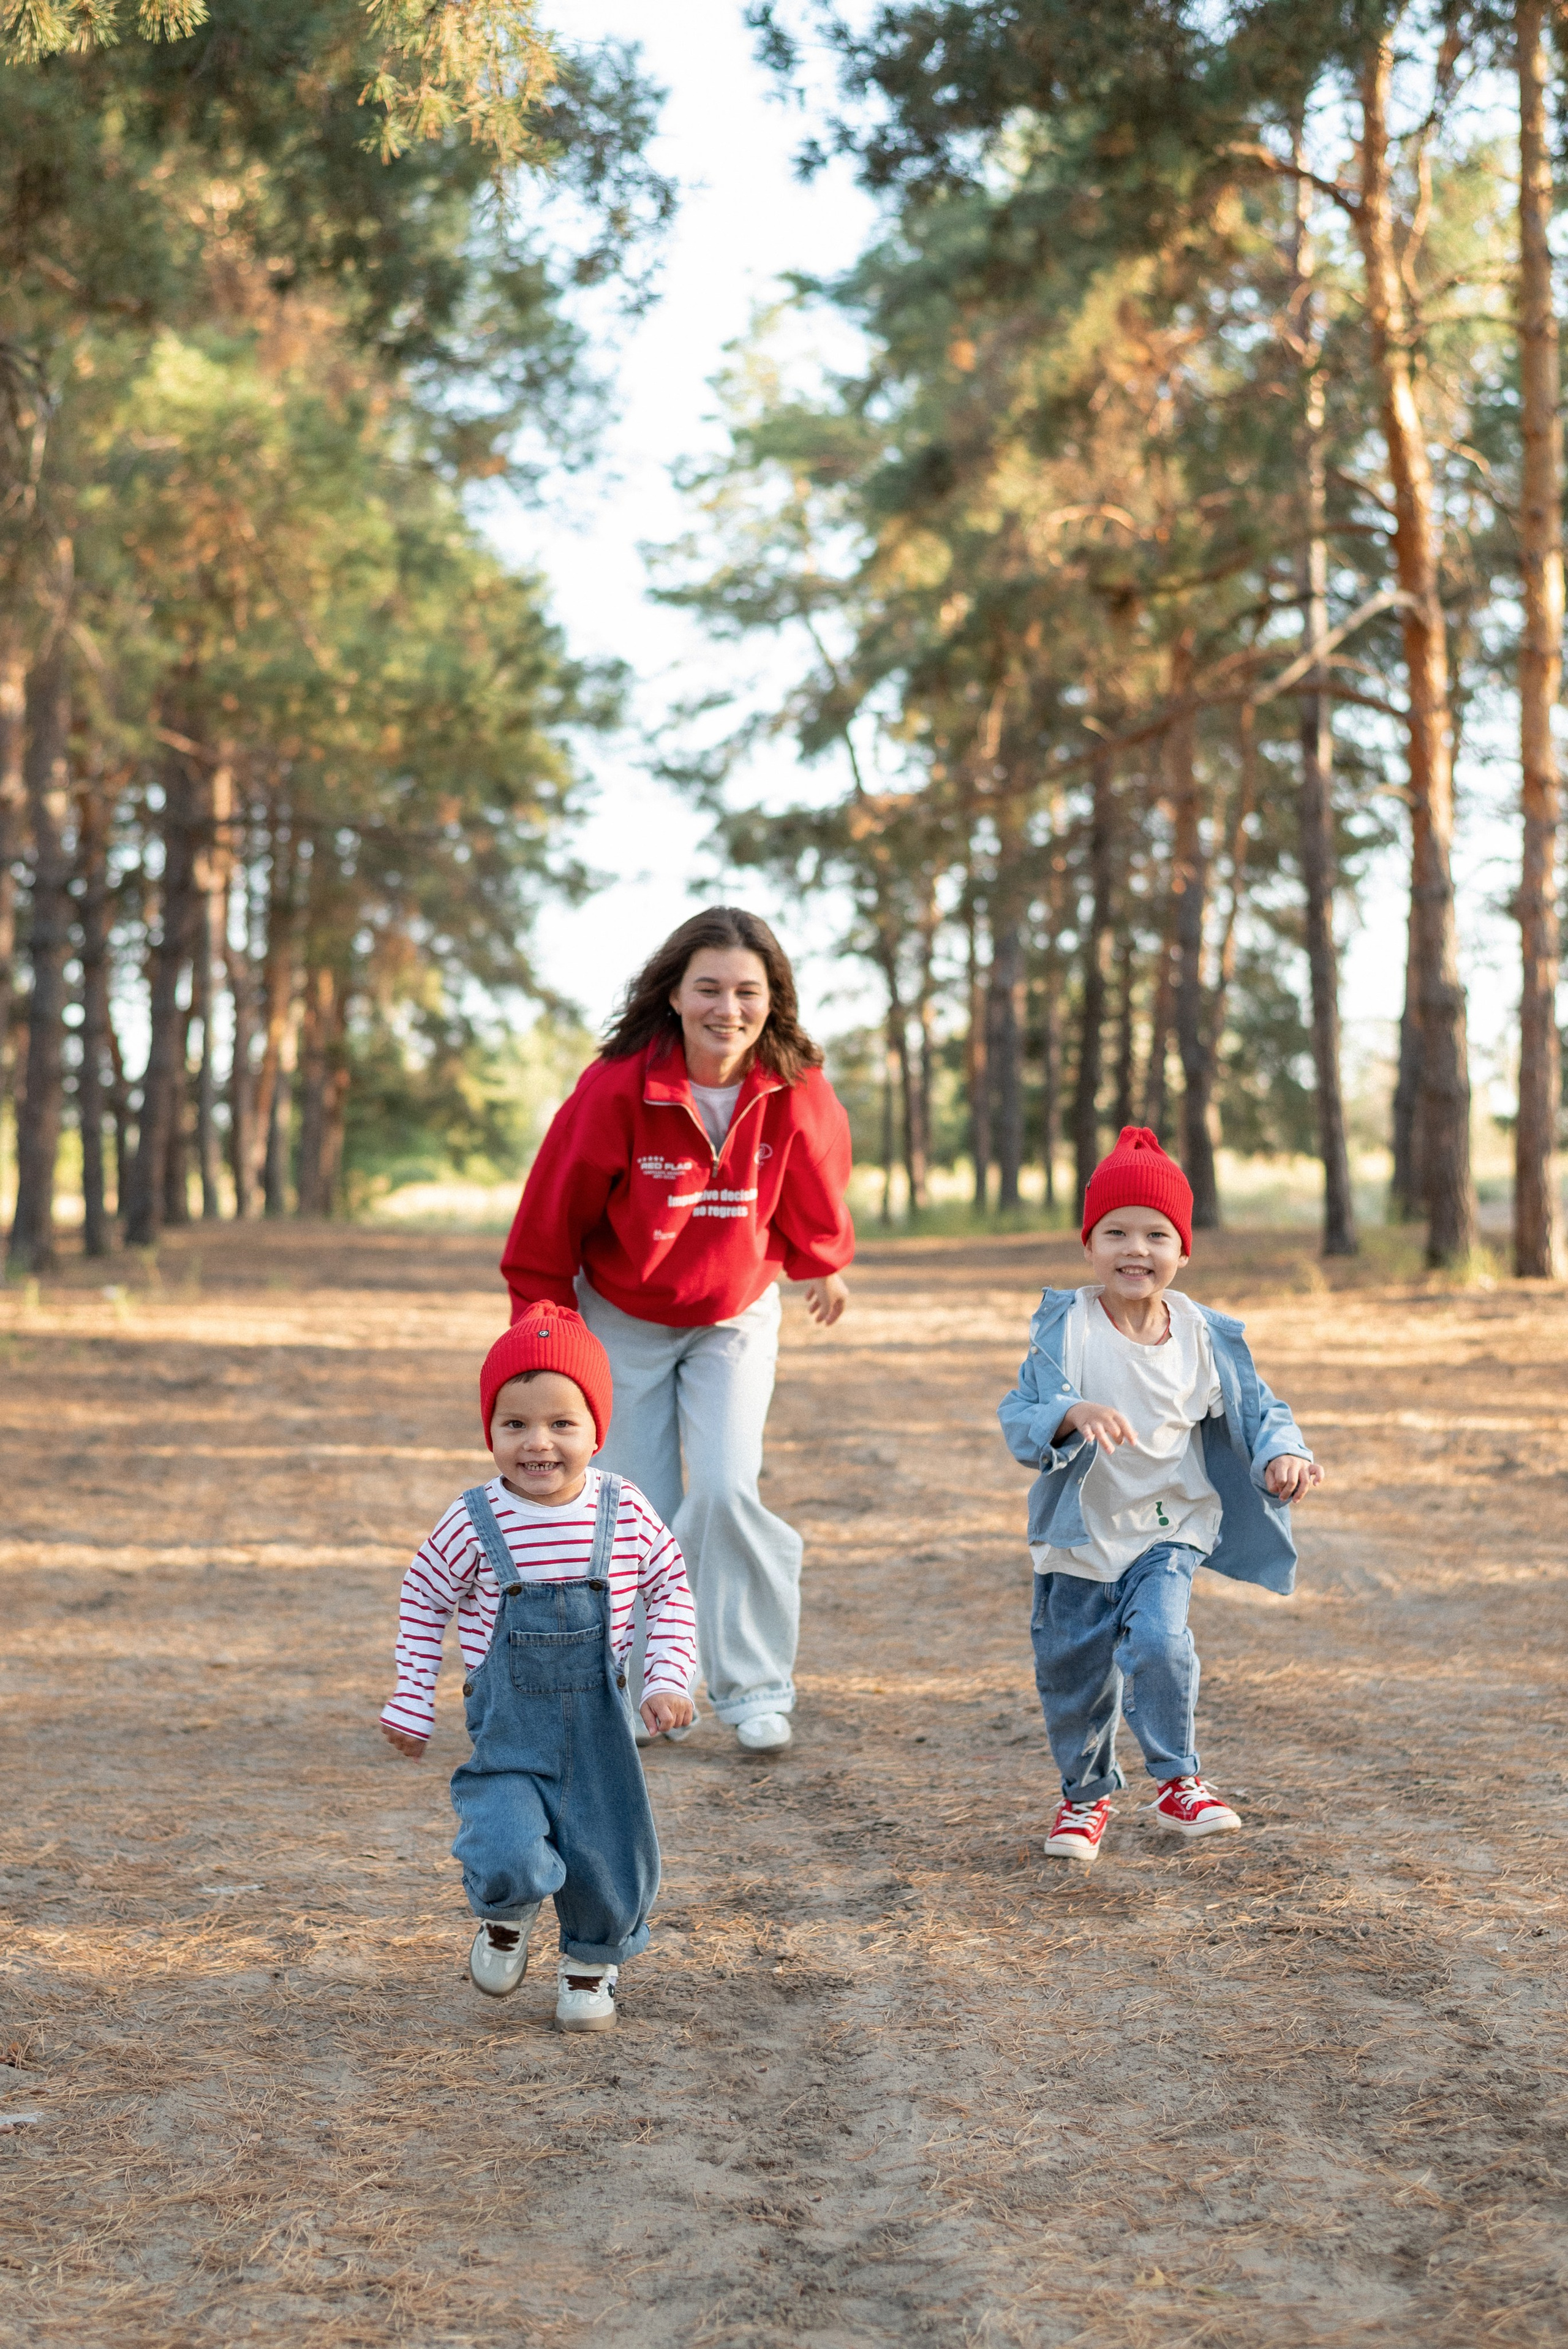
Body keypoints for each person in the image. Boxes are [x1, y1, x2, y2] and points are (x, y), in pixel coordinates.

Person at [499, 907, 853, 1755]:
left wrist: (821, 1259)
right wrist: (542, 1329)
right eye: (709, 988)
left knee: (729, 1490)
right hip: (624, 1317)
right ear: (675, 994)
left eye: (746, 990)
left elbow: (815, 1175)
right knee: (630, 1512)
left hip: (733, 1315)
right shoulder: (619, 1085)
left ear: (773, 1000)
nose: (727, 1008)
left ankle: (756, 1687)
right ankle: (633, 1691)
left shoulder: (794, 1081)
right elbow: (552, 1214)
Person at [998, 1126, 1323, 1867]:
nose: (1133, 1249)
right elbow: (1020, 1419)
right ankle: (1084, 1797)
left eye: (1155, 1233)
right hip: (1078, 1538)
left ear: (1183, 1250)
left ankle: (1180, 1783)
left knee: (1159, 1642)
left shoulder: (1202, 1336)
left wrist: (1283, 1453)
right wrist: (1070, 1413)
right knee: (1072, 1680)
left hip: (1167, 1528)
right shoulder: (1066, 1330)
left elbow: (1259, 1408)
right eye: (1114, 1232)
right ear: (1089, 1246)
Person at [379, 1305, 698, 2032]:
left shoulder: (625, 1511)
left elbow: (670, 1586)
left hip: (600, 1737)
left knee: (609, 1853)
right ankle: (506, 1912)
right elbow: (424, 1597)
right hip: (509, 1739)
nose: (538, 1443)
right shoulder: (471, 1520)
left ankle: (590, 1966)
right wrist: (411, 1696)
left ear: (596, 1429)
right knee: (505, 1845)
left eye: (561, 1423)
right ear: (490, 1430)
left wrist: (666, 1678)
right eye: (514, 1424)